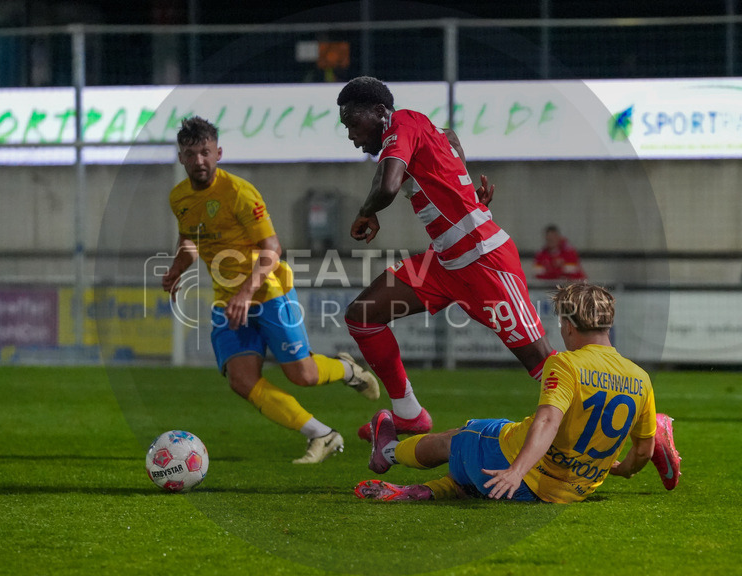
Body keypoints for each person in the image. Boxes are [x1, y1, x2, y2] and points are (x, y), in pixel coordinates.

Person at [336, 76, 554, 440]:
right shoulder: (413, 125)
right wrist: (463, 187)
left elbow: (388, 186)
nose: (351, 136)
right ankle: (408, 414)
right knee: (363, 316)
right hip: (446, 262)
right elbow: (450, 137)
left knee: (541, 362)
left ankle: (641, 423)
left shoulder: (401, 124)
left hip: (485, 259)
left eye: (353, 124)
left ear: (379, 112)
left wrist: (365, 212)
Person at [160, 116, 381, 463]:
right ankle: (322, 434)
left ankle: (348, 370)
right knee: (241, 380)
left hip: (268, 293)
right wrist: (176, 268)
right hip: (227, 301)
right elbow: (191, 238)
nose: (199, 160)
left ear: (218, 152)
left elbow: (272, 248)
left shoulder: (238, 193)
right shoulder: (179, 198)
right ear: (181, 158)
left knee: (303, 376)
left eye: (205, 152)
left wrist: (245, 294)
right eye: (190, 153)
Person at [354, 283, 681, 502]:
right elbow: (642, 451)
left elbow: (547, 422)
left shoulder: (566, 364)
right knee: (485, 451)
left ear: (568, 325)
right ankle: (432, 490)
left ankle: (390, 451)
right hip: (569, 491)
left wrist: (517, 470)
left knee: (458, 438)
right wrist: (622, 470)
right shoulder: (641, 378)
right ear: (608, 324)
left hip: (518, 470)